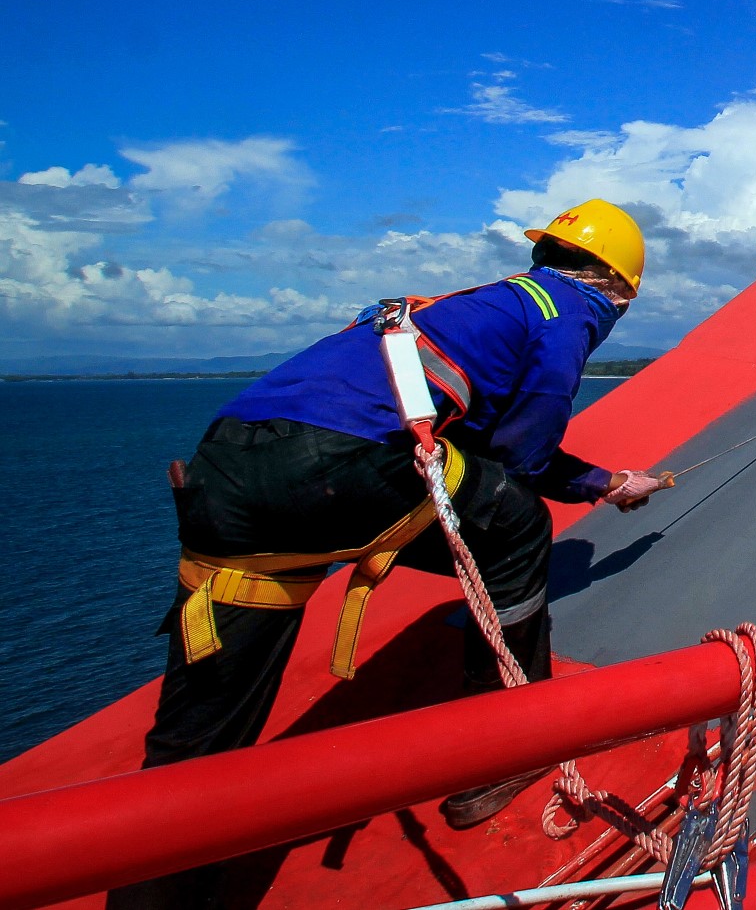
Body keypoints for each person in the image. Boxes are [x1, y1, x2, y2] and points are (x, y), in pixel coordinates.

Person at [135, 200, 665, 839]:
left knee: (206, 715)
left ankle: (156, 840)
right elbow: (522, 459)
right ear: (617, 285)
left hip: (225, 461)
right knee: (516, 520)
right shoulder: (566, 315)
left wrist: (600, 483)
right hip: (338, 461)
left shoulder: (468, 304)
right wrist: (606, 483)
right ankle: (511, 740)